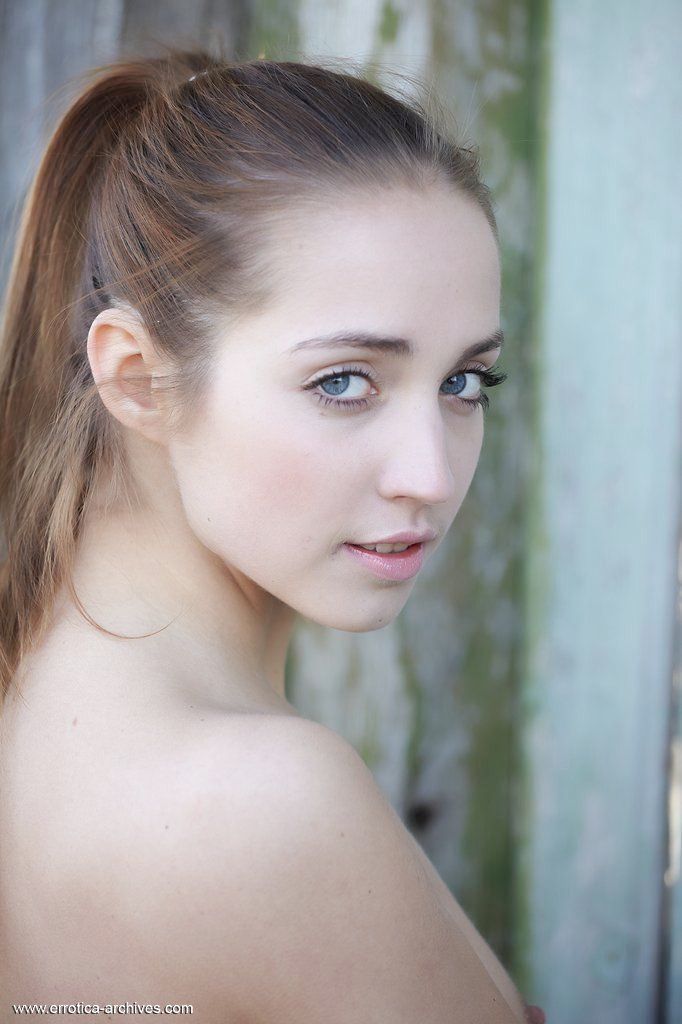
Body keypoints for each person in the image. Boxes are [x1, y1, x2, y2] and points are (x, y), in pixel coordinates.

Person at [0, 49, 545, 1023]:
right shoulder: (263, 802)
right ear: (137, 376)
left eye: (464, 382)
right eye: (344, 382)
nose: (430, 475)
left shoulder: (29, 697)